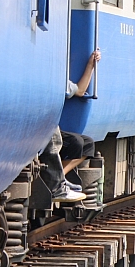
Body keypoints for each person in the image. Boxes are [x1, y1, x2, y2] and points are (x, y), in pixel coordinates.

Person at [39, 50, 101, 203]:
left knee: (87, 144)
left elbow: (80, 90)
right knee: (64, 140)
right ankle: (56, 184)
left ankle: (60, 178)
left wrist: (91, 65)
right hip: (43, 127)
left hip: (51, 125)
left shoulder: (58, 81)